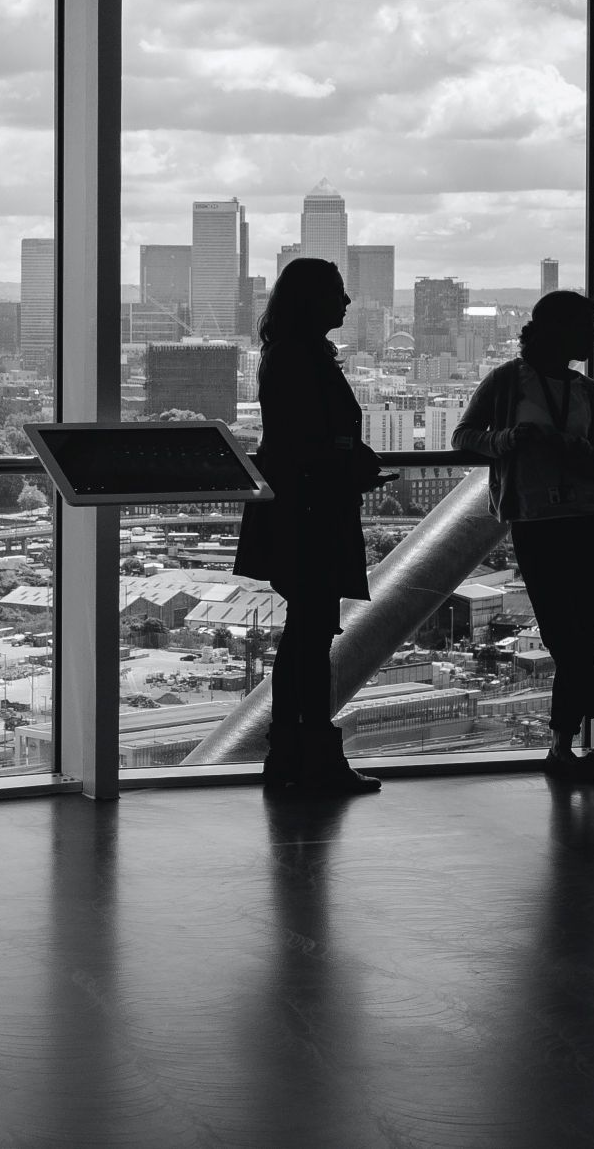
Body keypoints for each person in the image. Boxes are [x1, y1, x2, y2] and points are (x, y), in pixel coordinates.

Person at [455, 290, 594, 777]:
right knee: (565, 637)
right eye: (586, 327)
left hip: (588, 520)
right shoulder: (507, 382)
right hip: (543, 521)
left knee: (573, 637)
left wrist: (559, 443)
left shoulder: (588, 392)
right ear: (559, 330)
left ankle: (562, 744)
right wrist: (508, 440)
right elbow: (464, 436)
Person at [233, 257, 390, 794]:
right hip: (311, 512)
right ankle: (314, 758)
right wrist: (352, 464)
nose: (347, 303)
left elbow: (296, 439)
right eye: (338, 293)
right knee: (310, 638)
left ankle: (291, 756)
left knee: (304, 637)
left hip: (297, 509)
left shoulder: (287, 355)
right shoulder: (303, 358)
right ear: (312, 301)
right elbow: (310, 442)